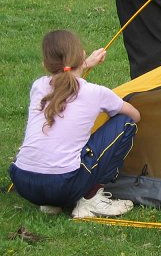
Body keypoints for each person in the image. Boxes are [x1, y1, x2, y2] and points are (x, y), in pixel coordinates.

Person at [9, 30, 141, 218]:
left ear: (45, 64)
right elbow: (134, 115)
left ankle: (50, 203)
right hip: (62, 185)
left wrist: (86, 65)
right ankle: (92, 199)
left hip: (23, 180)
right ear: (82, 55)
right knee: (125, 123)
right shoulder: (96, 93)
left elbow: (65, 78)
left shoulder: (39, 86)